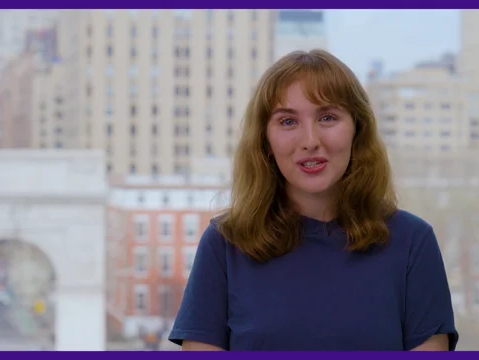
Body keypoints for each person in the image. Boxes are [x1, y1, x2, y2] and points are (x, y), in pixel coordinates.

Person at [168, 49, 459, 351]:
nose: (310, 141)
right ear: (265, 141)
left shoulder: (413, 243)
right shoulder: (224, 244)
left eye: (328, 117)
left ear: (357, 130)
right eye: (288, 122)